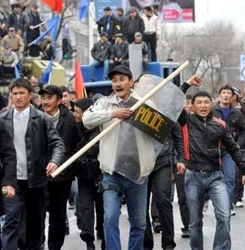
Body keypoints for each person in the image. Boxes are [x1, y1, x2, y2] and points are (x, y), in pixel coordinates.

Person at [82, 65, 158, 249]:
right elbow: (86, 119)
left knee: (139, 222)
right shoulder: (105, 103)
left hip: (138, 172)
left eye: (122, 79)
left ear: (131, 83)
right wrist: (113, 114)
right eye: (114, 80)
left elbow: (159, 129)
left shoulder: (145, 103)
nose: (118, 84)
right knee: (110, 218)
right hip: (111, 170)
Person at [177, 77, 245, 250]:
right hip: (193, 176)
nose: (203, 106)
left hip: (215, 177)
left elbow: (233, 149)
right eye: (199, 103)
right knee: (194, 222)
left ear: (212, 104)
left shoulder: (220, 125)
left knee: (224, 216)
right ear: (192, 106)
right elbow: (174, 99)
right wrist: (187, 84)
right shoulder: (186, 121)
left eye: (206, 102)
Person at [1, 78, 65, 250]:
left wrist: (54, 161)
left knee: (35, 224)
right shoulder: (3, 119)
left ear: (30, 95)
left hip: (36, 179)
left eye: (22, 93)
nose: (18, 97)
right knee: (12, 219)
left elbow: (57, 143)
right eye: (14, 93)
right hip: (11, 181)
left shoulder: (42, 119)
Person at [39, 84, 80, 250]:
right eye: (43, 98)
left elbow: (78, 143)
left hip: (62, 176)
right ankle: (38, 243)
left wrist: (68, 164)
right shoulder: (36, 117)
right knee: (37, 213)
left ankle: (54, 247)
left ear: (58, 100)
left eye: (49, 98)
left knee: (57, 216)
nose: (45, 101)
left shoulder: (70, 119)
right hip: (39, 176)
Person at [143, 119, 186, 250]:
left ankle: (168, 244)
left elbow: (177, 134)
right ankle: (146, 244)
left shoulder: (166, 110)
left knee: (163, 200)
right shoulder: (136, 107)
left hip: (163, 161)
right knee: (141, 205)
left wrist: (180, 159)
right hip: (141, 162)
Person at [73, 98, 105, 250]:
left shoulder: (100, 128)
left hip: (100, 176)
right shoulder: (74, 127)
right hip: (83, 177)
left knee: (103, 209)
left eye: (77, 112)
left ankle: (105, 238)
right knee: (85, 207)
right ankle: (89, 240)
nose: (75, 115)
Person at [212, 85, 245, 212]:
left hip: (229, 150)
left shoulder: (237, 113)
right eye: (224, 93)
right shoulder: (212, 111)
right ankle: (209, 201)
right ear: (219, 95)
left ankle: (227, 206)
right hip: (213, 150)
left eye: (229, 93)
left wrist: (238, 144)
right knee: (212, 178)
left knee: (229, 178)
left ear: (233, 97)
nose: (226, 95)